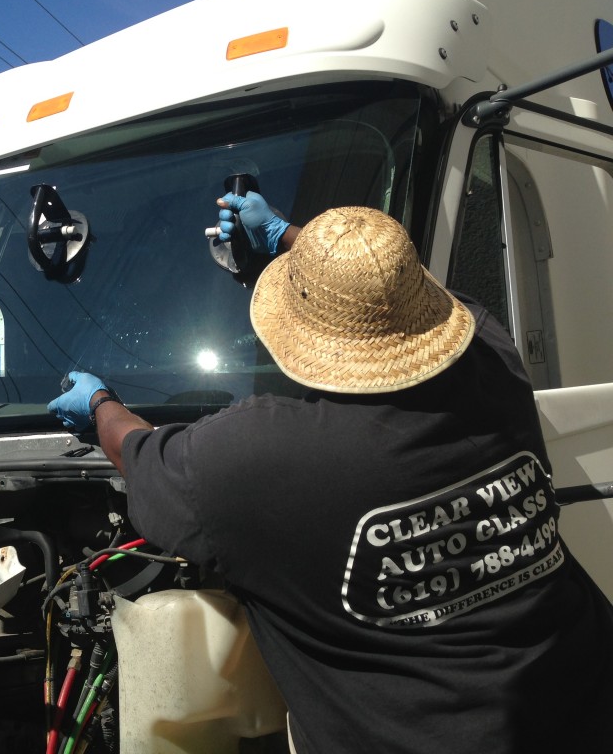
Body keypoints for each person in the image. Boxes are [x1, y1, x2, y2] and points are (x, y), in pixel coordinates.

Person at [48, 200, 613, 753]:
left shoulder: (255, 457)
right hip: (591, 705)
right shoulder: (494, 356)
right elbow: (406, 291)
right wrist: (289, 236)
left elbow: (137, 453)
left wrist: (99, 403)